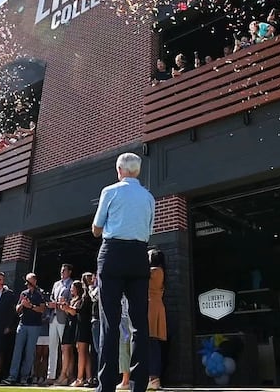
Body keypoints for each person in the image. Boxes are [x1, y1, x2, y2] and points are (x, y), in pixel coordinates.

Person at [92, 153, 156, 392]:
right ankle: (138, 386)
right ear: (137, 171)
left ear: (119, 169)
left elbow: (97, 230)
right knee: (140, 323)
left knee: (110, 321)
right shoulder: (149, 197)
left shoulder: (110, 191)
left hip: (113, 253)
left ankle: (105, 386)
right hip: (140, 254)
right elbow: (148, 230)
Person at [2, 273, 45, 386]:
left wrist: (30, 306)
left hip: (34, 326)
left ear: (35, 281)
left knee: (29, 352)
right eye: (26, 282)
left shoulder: (40, 293)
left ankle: (24, 377)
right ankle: (12, 376)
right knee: (17, 351)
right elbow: (17, 309)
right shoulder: (23, 293)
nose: (27, 285)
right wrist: (22, 304)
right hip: (23, 324)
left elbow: (42, 309)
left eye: (30, 282)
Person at [46, 263, 74, 385]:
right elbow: (52, 298)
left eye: (64, 271)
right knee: (52, 347)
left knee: (66, 348)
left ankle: (67, 374)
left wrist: (59, 304)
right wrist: (51, 304)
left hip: (64, 318)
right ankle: (50, 375)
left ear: (69, 272)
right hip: (53, 317)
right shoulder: (56, 284)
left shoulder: (72, 284)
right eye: (61, 271)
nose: (61, 273)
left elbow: (71, 300)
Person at [147, 249, 167, 391]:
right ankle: (153, 377)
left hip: (151, 307)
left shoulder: (154, 271)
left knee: (151, 342)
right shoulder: (161, 271)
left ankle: (153, 377)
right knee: (153, 342)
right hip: (156, 305)